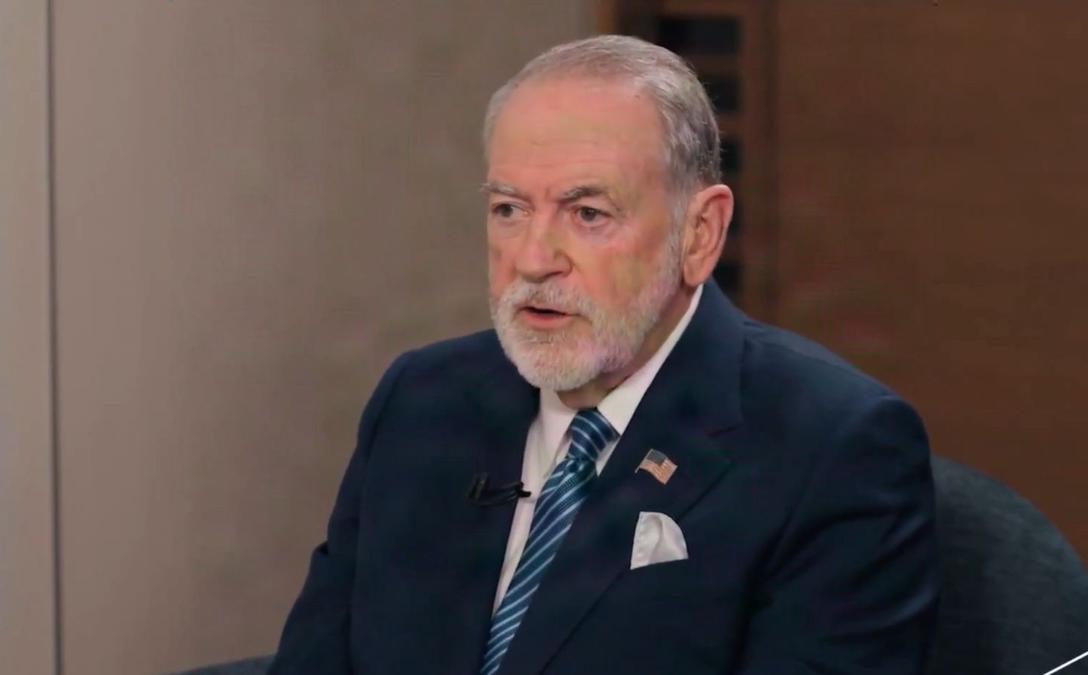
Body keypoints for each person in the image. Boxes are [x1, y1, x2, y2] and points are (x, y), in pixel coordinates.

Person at [269, 35, 938, 675]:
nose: (533, 259)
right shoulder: (421, 401)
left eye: (587, 213)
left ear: (699, 234)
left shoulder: (832, 449)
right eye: (509, 210)